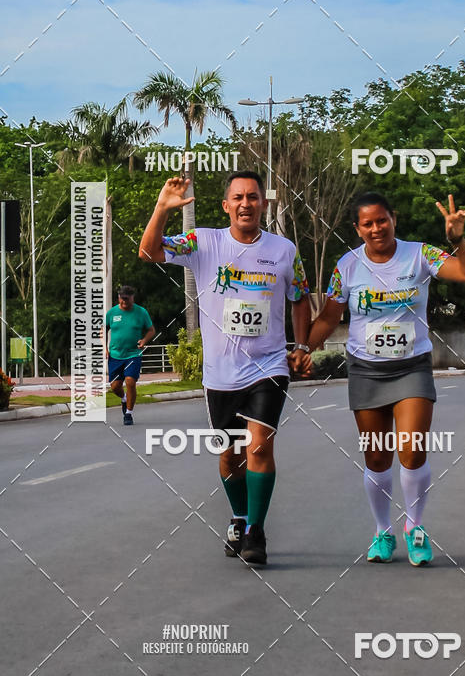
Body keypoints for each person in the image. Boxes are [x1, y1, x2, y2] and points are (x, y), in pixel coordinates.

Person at [139, 171, 311, 567]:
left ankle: (256, 530)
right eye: (238, 197)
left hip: (268, 366)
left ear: (263, 204)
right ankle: (239, 515)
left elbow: (300, 297)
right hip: (220, 372)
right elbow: (149, 253)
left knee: (259, 446)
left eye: (253, 197)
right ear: (226, 206)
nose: (246, 204)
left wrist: (300, 345)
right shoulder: (204, 241)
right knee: (231, 454)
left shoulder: (284, 250)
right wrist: (163, 207)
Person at [306, 192, 465, 566]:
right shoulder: (347, 266)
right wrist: (304, 348)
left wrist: (456, 239)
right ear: (357, 229)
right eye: (367, 224)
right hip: (366, 371)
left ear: (393, 219)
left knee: (413, 449)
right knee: (376, 457)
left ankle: (415, 527)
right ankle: (382, 531)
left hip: (411, 367)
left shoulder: (420, 255)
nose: (376, 229)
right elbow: (328, 317)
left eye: (381, 220)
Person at [105, 285, 155, 426]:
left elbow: (151, 330)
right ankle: (124, 398)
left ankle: (128, 414)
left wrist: (144, 340)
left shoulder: (141, 312)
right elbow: (103, 329)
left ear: (133, 297)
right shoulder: (112, 313)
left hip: (133, 354)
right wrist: (105, 348)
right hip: (115, 354)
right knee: (115, 386)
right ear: (119, 298)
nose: (124, 302)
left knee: (130, 382)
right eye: (122, 299)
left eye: (127, 299)